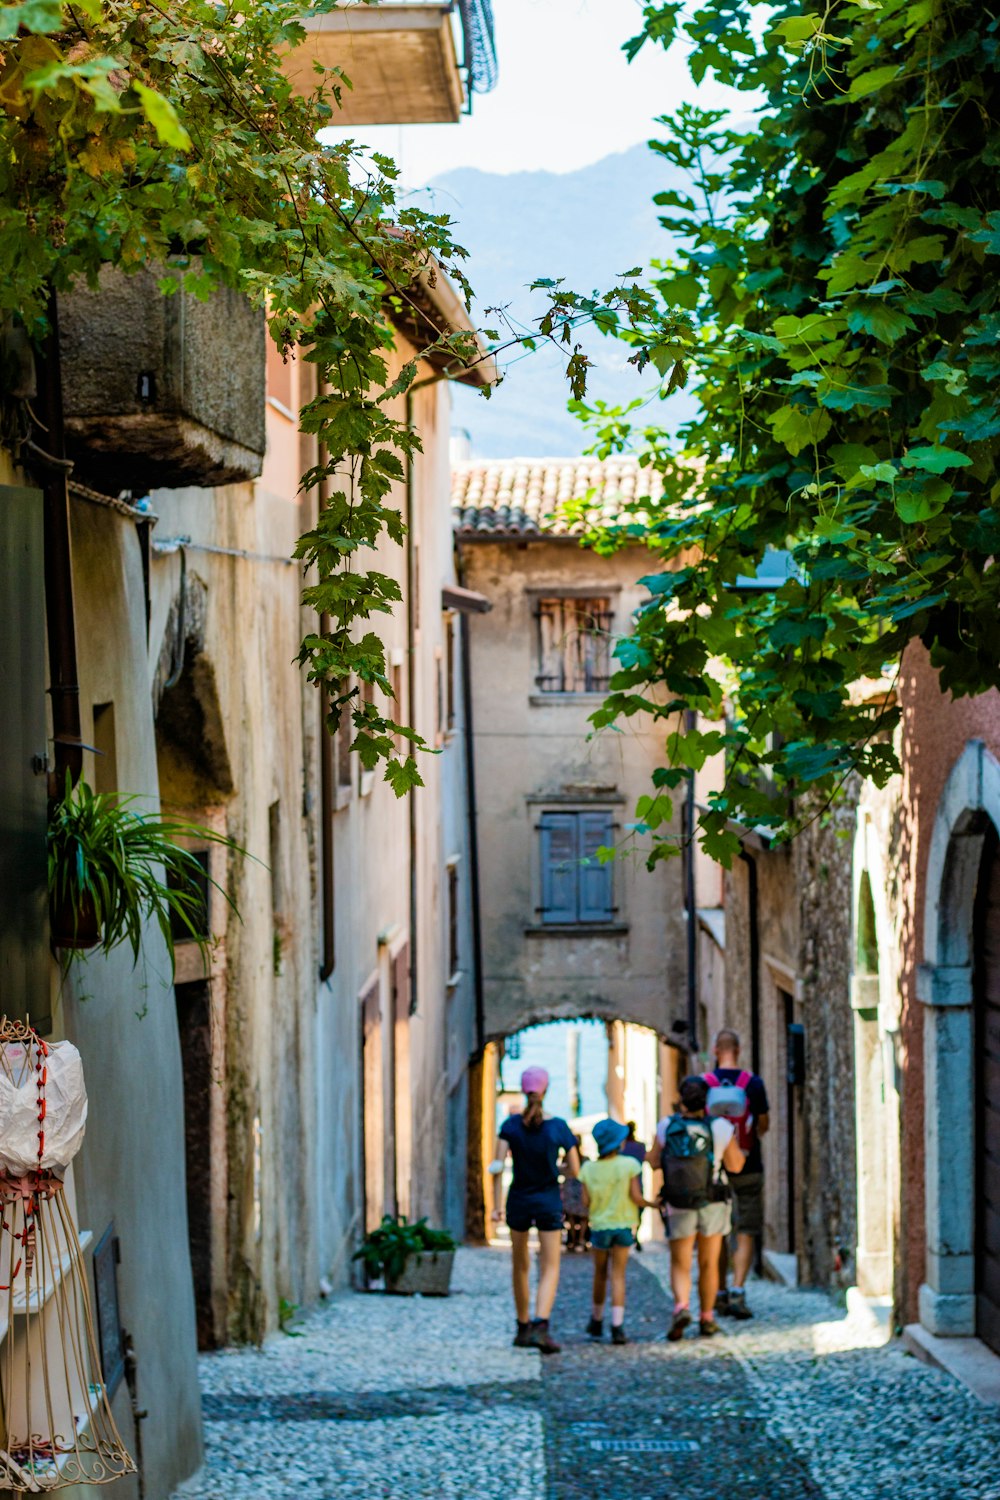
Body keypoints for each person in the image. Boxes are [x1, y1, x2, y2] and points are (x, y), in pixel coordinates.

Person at [489, 1065, 580, 1353]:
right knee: (550, 1265)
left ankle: (522, 1326)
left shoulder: (511, 1126)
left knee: (520, 1265)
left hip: (518, 1199)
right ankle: (541, 1325)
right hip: (549, 1200)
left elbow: (496, 1166)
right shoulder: (559, 1127)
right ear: (547, 1090)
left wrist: (494, 1206)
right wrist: (556, 1166)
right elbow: (575, 1169)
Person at [650, 1074, 746, 1341]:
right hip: (712, 1201)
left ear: (680, 1099)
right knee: (708, 1262)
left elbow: (653, 1161)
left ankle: (681, 1306)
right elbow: (736, 1165)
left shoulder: (666, 1125)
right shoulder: (720, 1127)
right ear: (707, 1100)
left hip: (678, 1200)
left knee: (680, 1262)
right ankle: (707, 1317)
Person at [703, 1028, 769, 1320]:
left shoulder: (703, 1084)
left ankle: (717, 1293)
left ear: (716, 1050)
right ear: (739, 1050)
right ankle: (738, 1291)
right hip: (748, 1165)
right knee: (746, 1231)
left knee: (717, 1231)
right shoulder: (753, 1084)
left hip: (713, 1171)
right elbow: (762, 1126)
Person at [579, 1118, 657, 1344]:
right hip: (624, 1225)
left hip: (600, 1226)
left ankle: (596, 1320)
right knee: (619, 1274)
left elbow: (585, 1201)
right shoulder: (629, 1165)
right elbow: (636, 1197)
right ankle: (617, 1325)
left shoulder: (588, 1169)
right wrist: (653, 1204)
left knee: (600, 1274)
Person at [621, 1122, 648, 1250]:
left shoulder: (621, 1148)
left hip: (623, 1184)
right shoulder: (640, 1147)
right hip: (638, 1181)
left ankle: (627, 1234)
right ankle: (635, 1233)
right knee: (639, 1211)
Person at [561, 1135, 589, 1252]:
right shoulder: (584, 1159)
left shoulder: (566, 1159)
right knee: (583, 1217)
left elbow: (562, 1171)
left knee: (571, 1216)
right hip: (581, 1188)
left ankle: (572, 1240)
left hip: (571, 1188)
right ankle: (581, 1240)